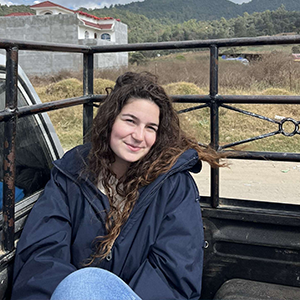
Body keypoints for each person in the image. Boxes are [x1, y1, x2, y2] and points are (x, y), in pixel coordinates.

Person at [11, 72, 223, 300]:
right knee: (80, 285)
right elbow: (42, 256)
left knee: (84, 283)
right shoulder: (72, 173)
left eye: (151, 127)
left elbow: (175, 272)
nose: (139, 136)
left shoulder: (174, 185)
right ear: (110, 119)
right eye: (130, 121)